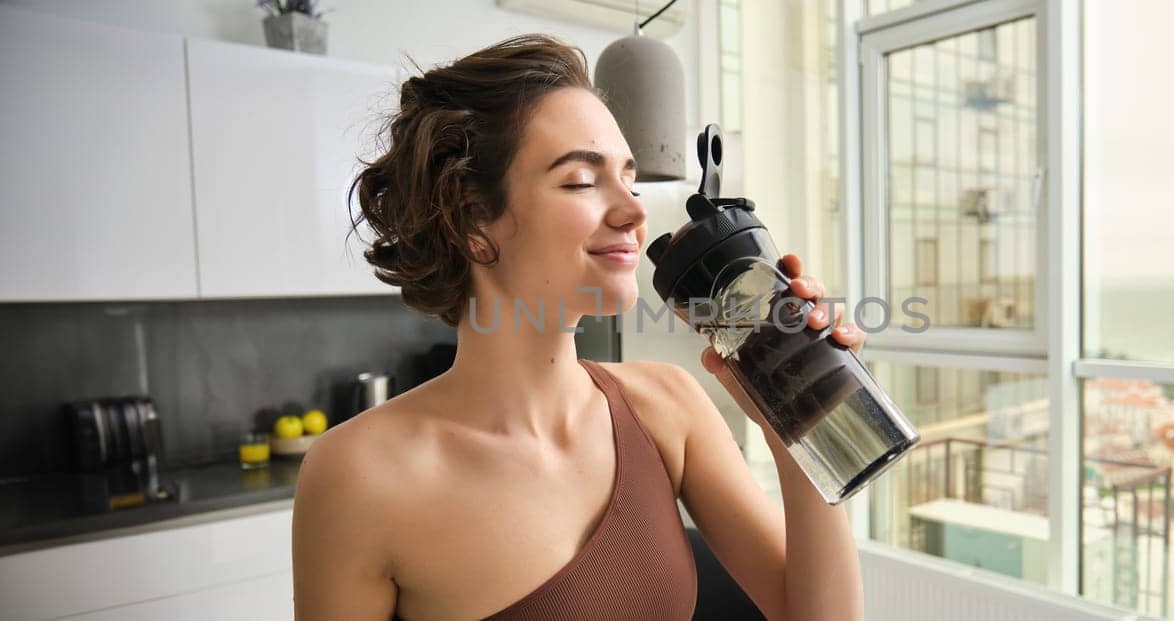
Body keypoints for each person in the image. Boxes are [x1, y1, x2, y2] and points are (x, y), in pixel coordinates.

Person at [292, 34, 866, 620]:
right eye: (580, 182)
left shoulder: (668, 407)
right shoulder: (357, 476)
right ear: (471, 220)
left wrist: (796, 427)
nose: (636, 210)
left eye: (629, 178)